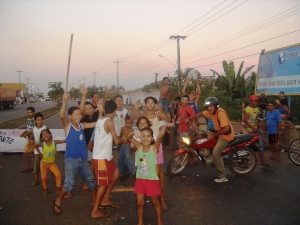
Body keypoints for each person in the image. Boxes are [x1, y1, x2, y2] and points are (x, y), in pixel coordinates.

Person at [53, 89, 98, 215]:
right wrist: (64, 102)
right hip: (71, 160)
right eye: (75, 115)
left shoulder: (82, 125)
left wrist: (104, 117)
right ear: (70, 117)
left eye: (79, 114)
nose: (78, 116)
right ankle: (58, 200)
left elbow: (96, 123)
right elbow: (62, 116)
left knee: (91, 181)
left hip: (83, 159)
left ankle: (95, 202)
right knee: (69, 184)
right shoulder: (68, 126)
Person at [130, 96, 170, 211]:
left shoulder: (158, 114)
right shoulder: (143, 116)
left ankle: (162, 199)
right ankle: (144, 195)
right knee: (145, 170)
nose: (150, 104)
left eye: (152, 102)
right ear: (145, 104)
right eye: (148, 103)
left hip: (156, 147)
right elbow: (131, 119)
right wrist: (135, 108)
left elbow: (168, 121)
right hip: (144, 149)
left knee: (159, 172)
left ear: (155, 104)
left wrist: (161, 110)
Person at [185, 97, 234, 182]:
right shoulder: (211, 112)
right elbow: (200, 114)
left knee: (215, 153)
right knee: (206, 139)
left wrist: (213, 134)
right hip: (219, 132)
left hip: (226, 136)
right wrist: (190, 118)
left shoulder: (220, 113)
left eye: (211, 106)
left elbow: (226, 129)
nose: (209, 108)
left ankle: (223, 176)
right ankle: (210, 159)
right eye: (208, 107)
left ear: (215, 106)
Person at [127, 126, 168, 225]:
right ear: (140, 137)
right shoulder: (138, 146)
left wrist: (165, 127)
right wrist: (134, 132)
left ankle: (160, 221)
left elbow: (160, 137)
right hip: (140, 180)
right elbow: (128, 137)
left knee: (155, 203)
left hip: (151, 180)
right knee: (139, 203)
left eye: (148, 136)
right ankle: (140, 222)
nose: (145, 138)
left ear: (152, 138)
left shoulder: (154, 148)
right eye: (143, 136)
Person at [91, 100, 121, 219]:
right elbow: (117, 141)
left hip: (106, 156)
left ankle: (105, 199)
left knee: (116, 174)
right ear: (114, 111)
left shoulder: (101, 119)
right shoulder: (109, 122)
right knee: (103, 184)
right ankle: (95, 211)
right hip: (101, 158)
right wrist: (128, 136)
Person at [34, 129, 65, 195]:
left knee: (58, 175)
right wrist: (40, 153)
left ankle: (58, 188)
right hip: (43, 163)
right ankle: (45, 189)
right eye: (43, 135)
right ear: (42, 138)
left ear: (50, 135)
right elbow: (35, 145)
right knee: (44, 178)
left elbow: (64, 141)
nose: (45, 135)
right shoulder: (42, 144)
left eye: (47, 133)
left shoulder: (55, 142)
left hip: (52, 163)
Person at [241, 95, 270, 168]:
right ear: (250, 101)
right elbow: (246, 121)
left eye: (257, 101)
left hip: (256, 131)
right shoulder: (246, 110)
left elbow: (259, 118)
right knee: (246, 148)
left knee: (261, 146)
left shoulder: (257, 110)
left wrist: (259, 123)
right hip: (247, 132)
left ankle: (263, 163)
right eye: (254, 101)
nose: (256, 102)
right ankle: (243, 162)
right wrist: (254, 128)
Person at [31, 112, 48, 186]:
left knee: (49, 165)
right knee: (37, 167)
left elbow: (49, 138)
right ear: (35, 121)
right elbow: (32, 140)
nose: (40, 121)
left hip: (46, 150)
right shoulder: (33, 129)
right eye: (38, 120)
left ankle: (54, 178)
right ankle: (37, 180)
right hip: (37, 152)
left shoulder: (45, 128)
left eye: (41, 120)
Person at [20, 106, 35, 173]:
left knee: (27, 152)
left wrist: (27, 134)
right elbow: (28, 128)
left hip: (32, 139)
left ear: (34, 113)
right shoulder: (28, 119)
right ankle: (35, 166)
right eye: (27, 112)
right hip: (29, 138)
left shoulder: (34, 120)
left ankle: (29, 166)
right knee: (33, 153)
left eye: (30, 112)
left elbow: (34, 129)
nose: (29, 114)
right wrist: (24, 132)